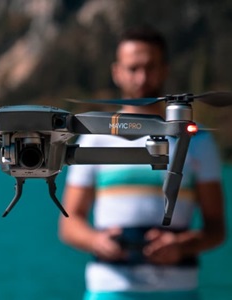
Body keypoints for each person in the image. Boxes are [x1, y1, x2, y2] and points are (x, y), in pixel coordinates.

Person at [59, 26, 225, 300]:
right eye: (133, 68)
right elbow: (68, 223)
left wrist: (180, 246)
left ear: (165, 69)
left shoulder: (199, 140)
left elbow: (216, 227)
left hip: (178, 291)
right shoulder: (94, 138)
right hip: (110, 289)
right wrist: (96, 241)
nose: (142, 77)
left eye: (150, 67)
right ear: (117, 71)